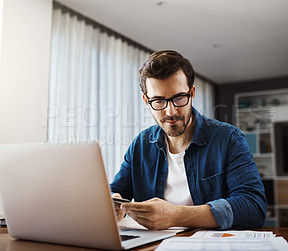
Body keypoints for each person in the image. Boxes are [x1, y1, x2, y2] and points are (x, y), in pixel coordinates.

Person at [110, 50, 267, 230]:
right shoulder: (140, 145)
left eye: (179, 98)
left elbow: (253, 207)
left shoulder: (229, 139)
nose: (171, 112)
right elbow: (117, 190)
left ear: (191, 93)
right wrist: (113, 202)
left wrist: (176, 215)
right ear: (146, 101)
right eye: (159, 101)